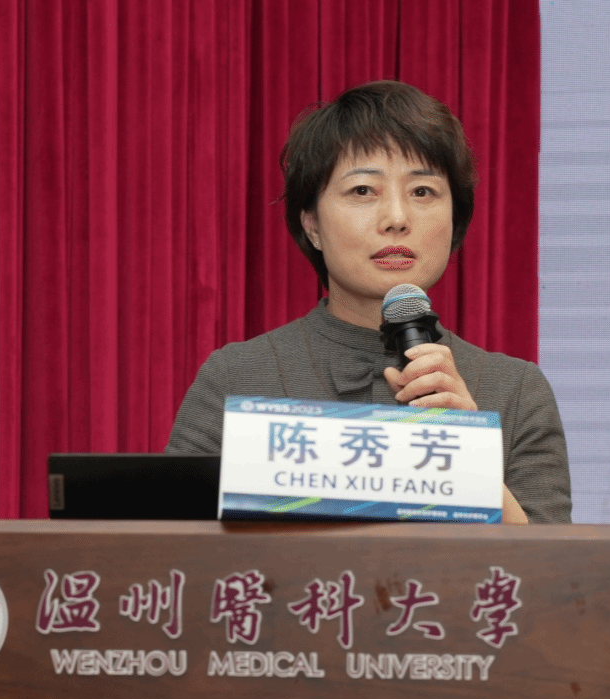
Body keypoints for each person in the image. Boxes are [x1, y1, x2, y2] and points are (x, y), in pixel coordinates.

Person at [166, 80, 571, 524]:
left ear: (455, 220)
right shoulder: (236, 376)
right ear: (312, 225)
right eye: (363, 191)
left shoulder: (516, 390)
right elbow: (168, 547)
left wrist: (467, 451)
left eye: (422, 192)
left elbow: (551, 564)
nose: (396, 218)